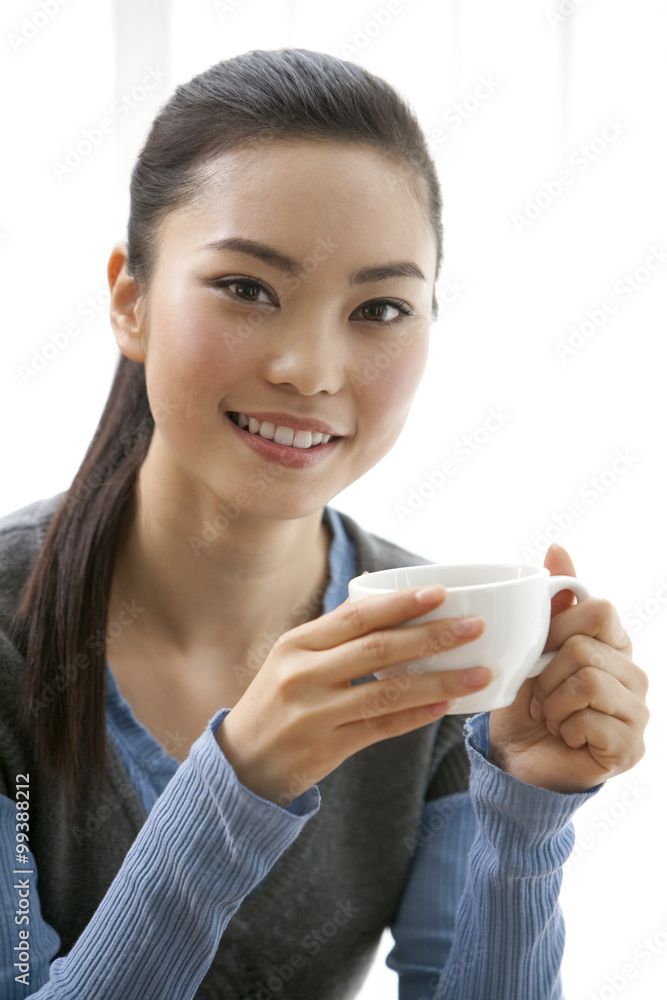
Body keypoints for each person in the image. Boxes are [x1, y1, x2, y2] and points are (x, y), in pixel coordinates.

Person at [0, 48, 649, 1000]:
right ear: (130, 298)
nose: (311, 369)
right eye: (247, 288)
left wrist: (526, 813)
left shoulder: (441, 652)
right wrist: (243, 781)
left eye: (380, 307)